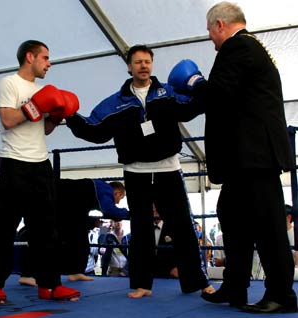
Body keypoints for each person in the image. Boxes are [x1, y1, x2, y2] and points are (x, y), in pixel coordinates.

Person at [168, 1, 297, 313]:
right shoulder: (250, 48)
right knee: (231, 214)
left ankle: (281, 294)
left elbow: (219, 95)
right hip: (246, 156)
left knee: (268, 225)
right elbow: (228, 97)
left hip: (254, 155)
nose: (210, 38)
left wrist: (195, 83)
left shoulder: (237, 47)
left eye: (210, 31)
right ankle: (234, 285)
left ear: (220, 25)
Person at [66, 44, 214, 298]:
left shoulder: (168, 93)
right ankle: (142, 284)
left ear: (152, 65)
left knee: (183, 227)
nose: (143, 66)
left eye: (147, 61)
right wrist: (68, 114)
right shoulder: (114, 103)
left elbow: (195, 107)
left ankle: (199, 282)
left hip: (169, 168)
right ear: (129, 66)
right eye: (138, 62)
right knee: (142, 228)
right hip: (136, 172)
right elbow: (94, 131)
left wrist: (198, 83)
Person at [0, 40, 80, 304]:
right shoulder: (9, 83)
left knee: (46, 230)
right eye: (45, 57)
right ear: (29, 57)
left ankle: (50, 285)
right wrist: (35, 106)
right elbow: (8, 121)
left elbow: (43, 130)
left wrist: (56, 115)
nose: (49, 63)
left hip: (40, 164)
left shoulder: (45, 90)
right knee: (4, 227)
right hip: (13, 163)